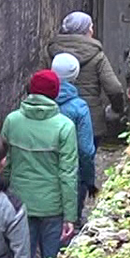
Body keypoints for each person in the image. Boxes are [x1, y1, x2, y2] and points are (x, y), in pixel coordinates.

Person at [0, 69, 79, 258]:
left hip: (19, 203)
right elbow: (68, 173)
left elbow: (5, 165)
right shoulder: (64, 126)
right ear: (55, 94)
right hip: (53, 205)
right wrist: (70, 216)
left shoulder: (12, 121)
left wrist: (3, 199)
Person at [46, 12, 125, 144]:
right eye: (90, 27)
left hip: (56, 116)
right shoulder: (97, 56)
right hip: (90, 118)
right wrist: (117, 109)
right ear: (86, 30)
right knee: (86, 156)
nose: (92, 31)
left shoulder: (51, 52)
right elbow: (114, 88)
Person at [49, 53, 96, 224]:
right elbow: (86, 150)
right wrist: (89, 179)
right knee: (70, 224)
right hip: (72, 175)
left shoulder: (38, 102)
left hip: (43, 177)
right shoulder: (79, 107)